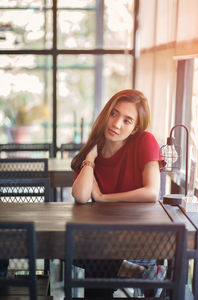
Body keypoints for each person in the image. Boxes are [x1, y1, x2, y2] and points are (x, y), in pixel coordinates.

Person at [71, 89, 163, 298]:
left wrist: (104, 198)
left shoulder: (145, 141)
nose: (116, 123)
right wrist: (90, 159)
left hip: (138, 240)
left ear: (135, 128)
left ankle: (136, 270)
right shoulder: (92, 153)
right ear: (106, 114)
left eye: (127, 120)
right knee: (78, 250)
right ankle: (137, 274)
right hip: (102, 241)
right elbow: (81, 196)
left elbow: (151, 192)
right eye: (114, 114)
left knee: (82, 255)